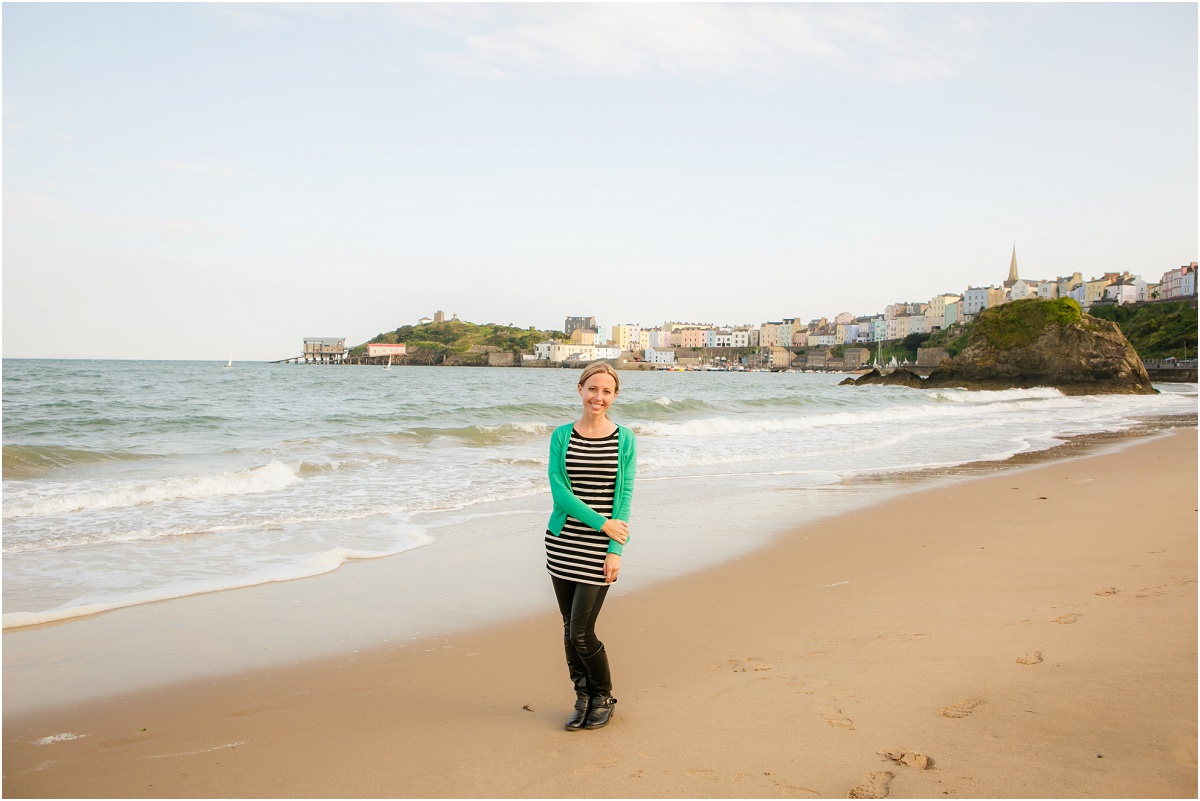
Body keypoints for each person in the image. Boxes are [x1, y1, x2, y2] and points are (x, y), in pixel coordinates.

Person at [545, 362, 637, 731]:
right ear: (580, 390)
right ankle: (582, 697)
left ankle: (604, 696)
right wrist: (601, 522)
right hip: (563, 541)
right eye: (592, 389)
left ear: (614, 397)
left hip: (601, 548)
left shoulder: (624, 438)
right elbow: (559, 492)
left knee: (582, 632)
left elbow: (625, 495)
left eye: (606, 391)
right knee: (570, 627)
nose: (598, 397)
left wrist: (615, 549)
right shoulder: (561, 436)